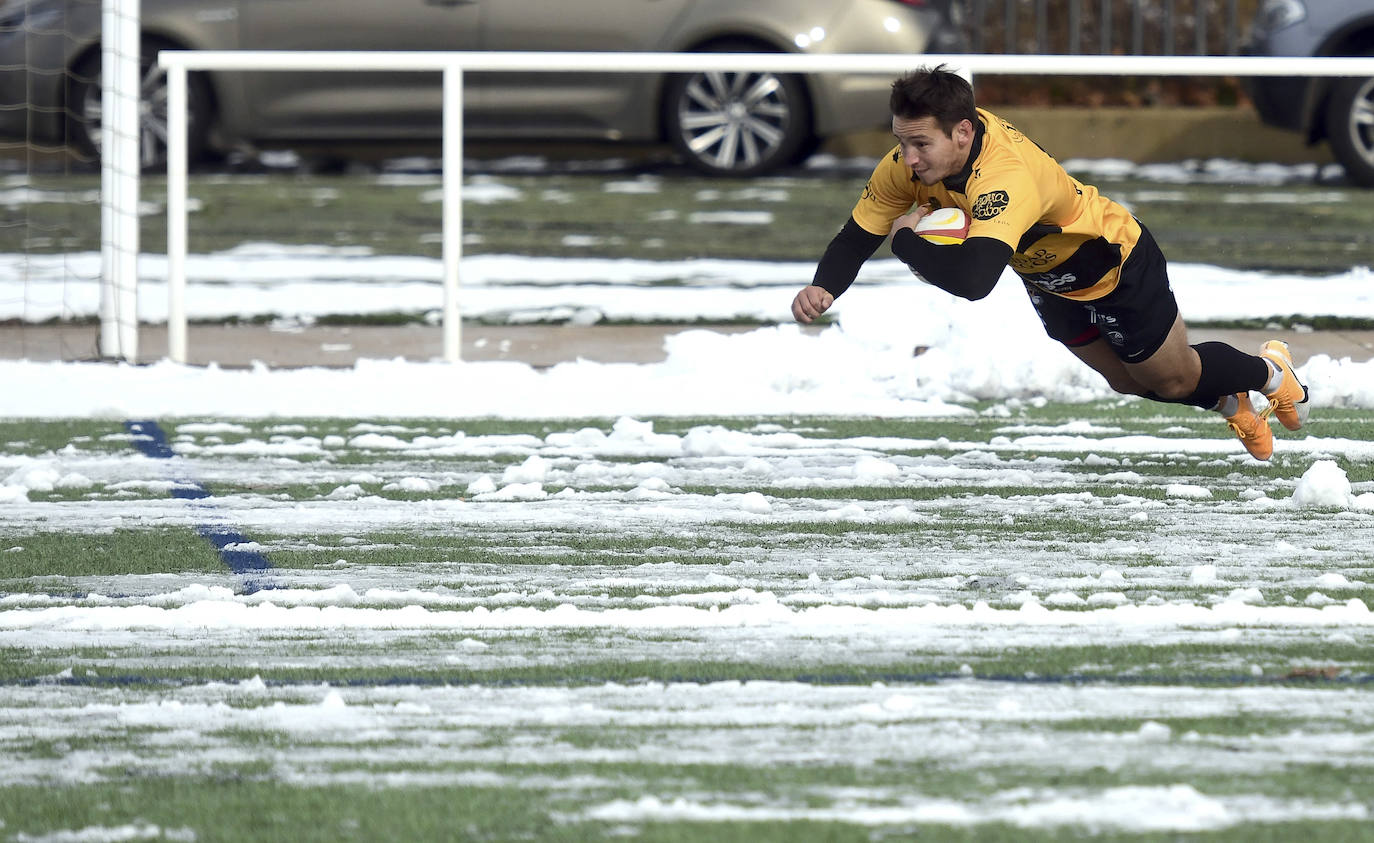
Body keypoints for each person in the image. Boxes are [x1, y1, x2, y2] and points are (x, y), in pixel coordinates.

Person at [790, 65, 1309, 460]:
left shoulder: (1004, 180)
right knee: (1128, 382)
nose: (909, 159)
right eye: (901, 142)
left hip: (1113, 261)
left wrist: (905, 242)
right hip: (1048, 279)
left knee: (1172, 379)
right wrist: (824, 287)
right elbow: (859, 231)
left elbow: (974, 282)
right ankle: (1231, 403)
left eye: (920, 143)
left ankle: (1269, 372)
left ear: (964, 134)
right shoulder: (911, 162)